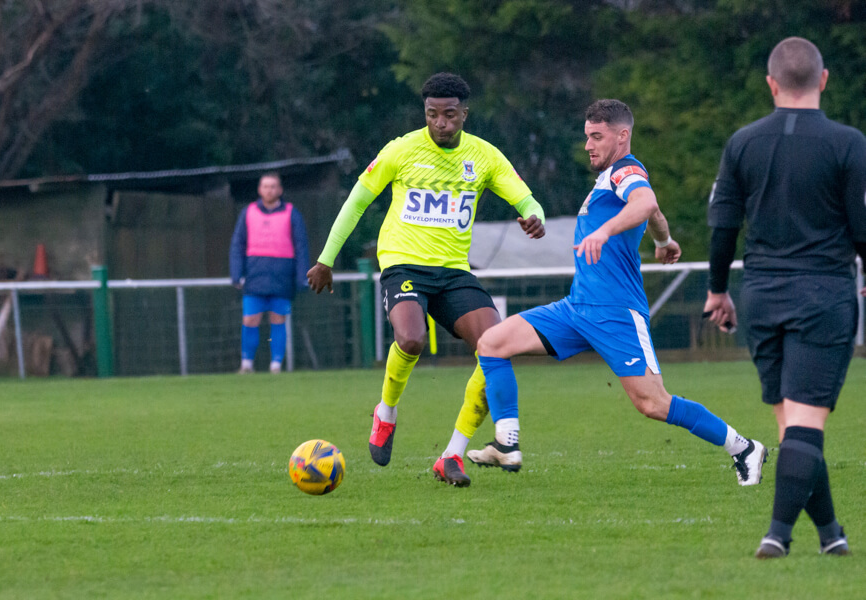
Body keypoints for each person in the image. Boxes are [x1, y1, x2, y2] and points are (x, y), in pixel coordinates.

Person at [471, 99, 767, 489]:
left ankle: (743, 448)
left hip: (615, 312)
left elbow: (644, 201)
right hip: (577, 308)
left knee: (653, 404)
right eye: (586, 137)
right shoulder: (611, 177)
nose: (588, 145)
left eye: (597, 137)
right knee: (492, 343)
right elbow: (653, 211)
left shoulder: (626, 170)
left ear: (622, 135)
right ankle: (507, 444)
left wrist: (604, 230)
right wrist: (665, 240)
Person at [307, 72, 546, 487]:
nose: (440, 123)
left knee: (496, 348)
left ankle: (452, 454)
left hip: (454, 271)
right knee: (411, 339)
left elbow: (524, 197)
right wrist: (326, 259)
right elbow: (357, 201)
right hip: (403, 264)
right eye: (432, 114)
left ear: (464, 114)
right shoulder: (401, 151)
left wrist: (535, 216)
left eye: (450, 115)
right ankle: (386, 413)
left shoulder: (485, 156)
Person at [705, 37, 866, 559]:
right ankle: (777, 533)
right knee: (804, 424)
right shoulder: (849, 143)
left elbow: (723, 226)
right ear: (823, 80)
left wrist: (716, 290)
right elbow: (862, 227)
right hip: (824, 295)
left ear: (771, 85)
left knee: (791, 423)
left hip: (763, 297)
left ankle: (831, 535)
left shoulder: (742, 143)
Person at [230, 172, 310, 374]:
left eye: (273, 186)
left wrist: (302, 277)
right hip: (255, 276)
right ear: (259, 189)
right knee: (250, 319)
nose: (269, 190)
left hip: (282, 277)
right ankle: (246, 364)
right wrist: (236, 273)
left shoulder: (292, 213)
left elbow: (301, 247)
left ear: (280, 190)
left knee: (278, 319)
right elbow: (237, 245)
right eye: (266, 186)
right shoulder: (248, 212)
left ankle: (276, 365)